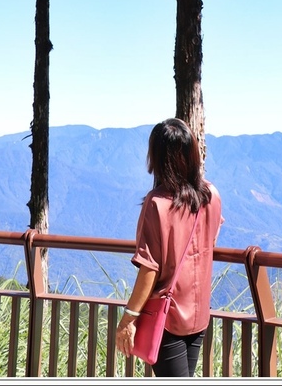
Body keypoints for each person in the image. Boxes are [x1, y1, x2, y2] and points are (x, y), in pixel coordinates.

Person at [116, 118, 223, 377]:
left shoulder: (157, 204)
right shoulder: (211, 195)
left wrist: (128, 318)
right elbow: (212, 240)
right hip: (198, 314)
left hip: (168, 319)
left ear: (158, 157)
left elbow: (149, 269)